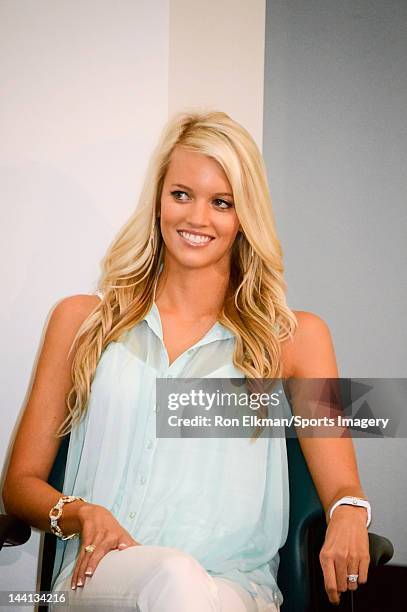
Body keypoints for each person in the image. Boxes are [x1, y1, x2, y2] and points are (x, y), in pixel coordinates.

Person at [2, 111, 371, 611]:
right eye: (182, 195)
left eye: (221, 202)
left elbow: (343, 485)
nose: (198, 218)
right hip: (100, 579)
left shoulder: (297, 337)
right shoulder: (82, 322)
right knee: (173, 578)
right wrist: (78, 512)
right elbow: (20, 486)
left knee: (185, 586)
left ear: (245, 217)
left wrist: (350, 512)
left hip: (235, 592)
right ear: (158, 201)